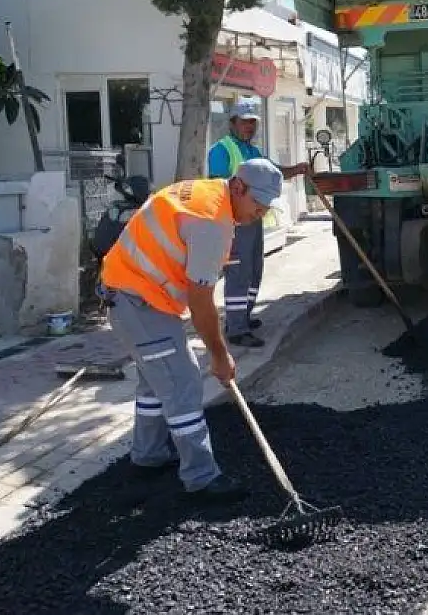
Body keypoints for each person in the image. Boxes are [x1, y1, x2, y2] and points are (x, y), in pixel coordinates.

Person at [99, 158, 297, 502]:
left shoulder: (209, 194)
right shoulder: (211, 222)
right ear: (238, 187)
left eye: (266, 207)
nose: (260, 213)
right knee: (184, 381)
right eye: (258, 204)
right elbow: (201, 300)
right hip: (138, 299)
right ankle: (201, 477)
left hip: (133, 291)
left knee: (155, 379)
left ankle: (148, 456)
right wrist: (220, 355)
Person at [208, 98, 271, 347]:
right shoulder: (221, 150)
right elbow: (218, 187)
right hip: (233, 223)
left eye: (253, 123)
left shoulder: (253, 151)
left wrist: (296, 170)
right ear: (233, 123)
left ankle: (244, 315)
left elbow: (271, 172)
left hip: (252, 219)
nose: (250, 127)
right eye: (245, 122)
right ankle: (235, 329)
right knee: (238, 273)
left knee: (255, 270)